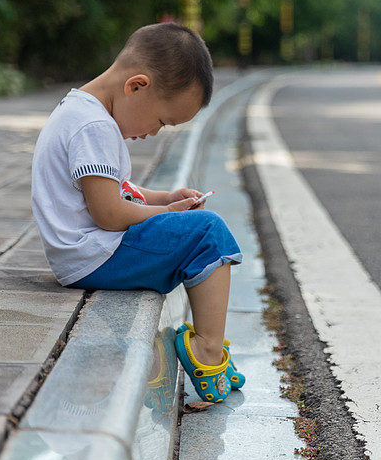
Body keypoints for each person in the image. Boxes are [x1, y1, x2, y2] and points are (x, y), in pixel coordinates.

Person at [31, 22, 243, 403]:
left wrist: (164, 199)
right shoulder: (93, 126)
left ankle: (192, 349)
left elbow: (119, 189)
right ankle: (207, 350)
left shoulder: (83, 111)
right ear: (137, 86)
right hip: (94, 254)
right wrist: (168, 216)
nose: (155, 132)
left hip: (87, 253)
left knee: (196, 230)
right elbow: (110, 214)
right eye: (162, 121)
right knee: (209, 232)